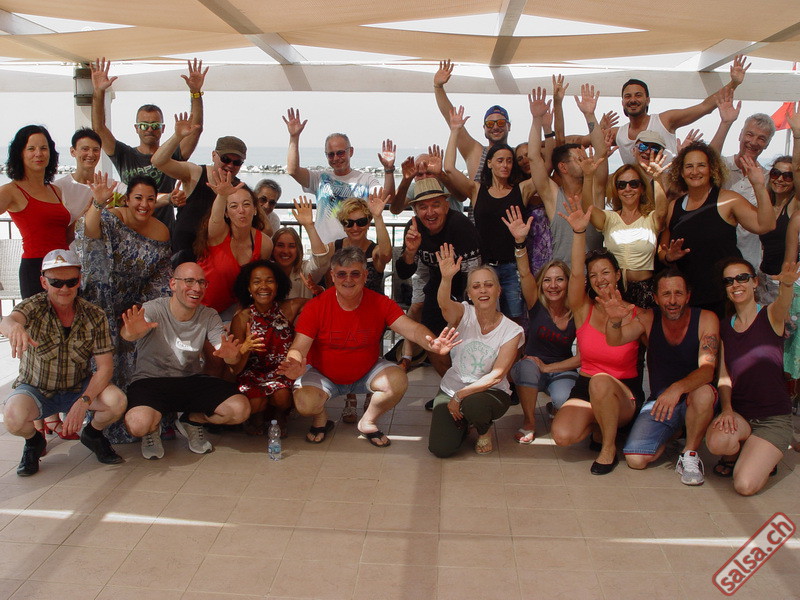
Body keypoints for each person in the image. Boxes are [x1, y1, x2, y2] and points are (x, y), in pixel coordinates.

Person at [278, 247, 461, 447]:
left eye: (355, 274)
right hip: (323, 374)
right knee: (304, 403)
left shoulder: (379, 302)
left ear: (365, 276)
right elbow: (299, 347)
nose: (348, 280)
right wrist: (294, 362)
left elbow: (412, 329)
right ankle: (320, 418)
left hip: (366, 372)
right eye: (342, 274)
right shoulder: (316, 306)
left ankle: (368, 421)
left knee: (398, 380)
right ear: (332, 276)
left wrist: (431, 343)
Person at [0, 249, 126, 476]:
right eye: (56, 282)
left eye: (71, 282)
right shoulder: (33, 307)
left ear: (79, 281)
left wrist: (84, 402)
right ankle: (33, 442)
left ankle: (93, 434)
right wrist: (14, 327)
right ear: (44, 282)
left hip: (77, 387)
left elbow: (105, 367)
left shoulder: (94, 315)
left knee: (116, 401)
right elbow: (9, 320)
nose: (64, 289)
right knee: (12, 416)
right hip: (36, 388)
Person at [550, 198, 645, 475]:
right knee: (562, 436)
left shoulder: (638, 314)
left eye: (606, 272)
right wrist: (579, 232)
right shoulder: (584, 309)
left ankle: (608, 447)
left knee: (602, 381)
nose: (600, 279)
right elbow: (575, 273)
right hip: (586, 386)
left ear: (617, 274)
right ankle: (599, 425)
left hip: (623, 392)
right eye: (594, 275)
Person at [121, 262, 251, 459]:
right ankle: (151, 430)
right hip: (151, 381)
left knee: (240, 409)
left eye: (201, 282)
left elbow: (226, 352)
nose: (196, 288)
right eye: (189, 281)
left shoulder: (208, 315)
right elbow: (129, 334)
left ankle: (192, 420)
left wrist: (231, 355)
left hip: (191, 380)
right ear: (173, 284)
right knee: (138, 425)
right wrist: (131, 332)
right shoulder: (154, 308)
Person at [603, 269, 719, 485]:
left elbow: (707, 371)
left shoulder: (706, 318)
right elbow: (615, 340)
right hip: (662, 400)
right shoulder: (648, 318)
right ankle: (674, 431)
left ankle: (690, 453)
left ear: (688, 296)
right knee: (636, 459)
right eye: (666, 294)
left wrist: (676, 389)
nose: (672, 301)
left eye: (678, 293)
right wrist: (615, 320)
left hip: (694, 396)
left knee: (704, 393)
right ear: (656, 298)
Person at [705, 258, 799, 495]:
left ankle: (764, 456)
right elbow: (724, 376)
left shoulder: (770, 315)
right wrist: (727, 409)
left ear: (755, 282)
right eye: (729, 281)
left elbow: (783, 303)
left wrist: (787, 285)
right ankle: (748, 450)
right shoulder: (724, 327)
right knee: (717, 442)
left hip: (773, 419)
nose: (736, 284)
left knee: (744, 485)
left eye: (742, 278)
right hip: (741, 416)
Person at [76, 172, 172, 392]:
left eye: (150, 199)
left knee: (133, 365)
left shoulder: (161, 231)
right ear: (127, 199)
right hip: (100, 300)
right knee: (99, 363)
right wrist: (98, 203)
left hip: (134, 305)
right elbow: (89, 235)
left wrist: (144, 308)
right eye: (138, 198)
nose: (144, 204)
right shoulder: (112, 218)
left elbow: (160, 274)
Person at [659, 141, 776, 317]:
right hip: (691, 299)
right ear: (681, 172)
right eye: (689, 166)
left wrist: (759, 186)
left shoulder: (728, 200)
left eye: (701, 165)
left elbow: (766, 225)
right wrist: (669, 256)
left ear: (711, 169)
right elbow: (662, 251)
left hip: (726, 297)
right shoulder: (674, 206)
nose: (695, 171)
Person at [428, 245, 523, 457]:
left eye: (489, 285)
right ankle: (465, 424)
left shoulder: (512, 330)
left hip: (490, 393)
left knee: (474, 405)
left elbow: (497, 375)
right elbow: (444, 305)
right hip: (452, 388)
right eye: (476, 286)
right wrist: (446, 278)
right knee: (441, 449)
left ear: (498, 290)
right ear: (469, 293)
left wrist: (460, 396)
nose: (483, 290)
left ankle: (483, 428)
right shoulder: (463, 314)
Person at [444, 105, 537, 320]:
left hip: (513, 267)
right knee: (482, 319)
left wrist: (538, 120)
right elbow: (449, 168)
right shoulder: (477, 190)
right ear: (489, 163)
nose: (505, 165)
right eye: (500, 160)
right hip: (484, 268)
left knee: (515, 319)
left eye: (509, 161)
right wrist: (455, 130)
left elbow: (542, 167)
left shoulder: (521, 190)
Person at [90, 57, 207, 228]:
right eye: (144, 125)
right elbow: (99, 128)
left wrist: (195, 93)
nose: (149, 129)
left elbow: (195, 129)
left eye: (155, 125)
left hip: (164, 231)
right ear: (136, 128)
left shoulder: (172, 155)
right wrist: (99, 92)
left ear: (163, 128)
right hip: (131, 232)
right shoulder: (124, 155)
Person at [395, 178, 482, 386]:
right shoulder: (414, 228)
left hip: (466, 286)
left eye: (435, 205)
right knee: (432, 340)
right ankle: (452, 388)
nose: (430, 212)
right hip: (437, 284)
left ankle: (472, 390)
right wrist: (410, 251)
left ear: (446, 205)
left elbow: (474, 273)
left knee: (467, 343)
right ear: (415, 210)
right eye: (423, 207)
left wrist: (465, 313)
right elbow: (404, 271)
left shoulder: (460, 226)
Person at [503, 206, 579, 444]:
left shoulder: (578, 311)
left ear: (568, 283)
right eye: (547, 280)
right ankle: (529, 422)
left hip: (561, 369)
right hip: (531, 367)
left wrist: (549, 368)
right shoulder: (536, 303)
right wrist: (520, 242)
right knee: (527, 367)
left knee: (563, 400)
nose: (553, 286)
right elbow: (525, 273)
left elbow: (583, 358)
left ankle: (555, 406)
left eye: (559, 280)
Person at [327, 191, 393, 424]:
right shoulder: (335, 247)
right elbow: (322, 271)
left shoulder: (373, 250)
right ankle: (350, 398)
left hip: (372, 312)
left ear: (368, 223)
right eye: (349, 222)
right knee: (347, 355)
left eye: (361, 221)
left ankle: (371, 395)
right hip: (343, 310)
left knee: (373, 355)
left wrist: (379, 216)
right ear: (343, 224)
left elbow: (386, 254)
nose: (355, 227)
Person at [283, 108, 395, 243]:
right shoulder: (319, 178)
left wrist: (389, 170)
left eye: (340, 153)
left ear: (351, 152)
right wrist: (294, 137)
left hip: (354, 250)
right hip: (325, 249)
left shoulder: (366, 180)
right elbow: (293, 170)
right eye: (331, 154)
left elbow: (386, 198)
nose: (336, 158)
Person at [612, 55, 749, 166]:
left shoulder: (664, 120)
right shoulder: (617, 133)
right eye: (628, 96)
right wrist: (598, 122)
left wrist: (734, 83)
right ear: (622, 102)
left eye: (638, 95)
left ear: (648, 100)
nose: (633, 100)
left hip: (670, 189)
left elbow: (704, 107)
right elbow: (597, 144)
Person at [527, 86, 607, 262]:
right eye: (579, 159)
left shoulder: (595, 189)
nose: (585, 161)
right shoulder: (553, 196)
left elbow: (601, 153)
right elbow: (533, 157)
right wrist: (536, 120)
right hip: (563, 274)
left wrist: (590, 115)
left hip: (595, 274)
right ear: (563, 167)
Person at [151, 112, 247, 256]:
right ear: (214, 155)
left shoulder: (240, 190)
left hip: (216, 257)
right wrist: (177, 137)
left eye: (237, 162)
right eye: (225, 159)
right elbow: (158, 161)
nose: (230, 165)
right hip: (184, 255)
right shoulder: (195, 173)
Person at [580, 153, 668, 308]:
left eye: (634, 184)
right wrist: (588, 177)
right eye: (622, 185)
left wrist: (657, 178)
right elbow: (588, 210)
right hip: (614, 289)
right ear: (616, 190)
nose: (628, 189)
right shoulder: (610, 218)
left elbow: (661, 212)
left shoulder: (650, 218)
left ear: (642, 188)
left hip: (645, 289)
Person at [229, 260, 306, 437]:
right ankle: (256, 417)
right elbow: (235, 369)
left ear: (278, 285)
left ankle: (280, 416)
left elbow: (321, 304)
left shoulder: (289, 308)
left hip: (281, 373)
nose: (263, 286)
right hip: (252, 375)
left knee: (282, 396)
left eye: (269, 281)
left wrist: (318, 290)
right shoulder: (241, 318)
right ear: (248, 288)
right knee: (255, 403)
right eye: (257, 282)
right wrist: (245, 348)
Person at [0, 125, 70, 298]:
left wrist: (92, 208)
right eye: (31, 149)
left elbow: (62, 236)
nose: (38, 153)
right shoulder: (11, 190)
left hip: (64, 266)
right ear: (20, 153)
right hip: (35, 269)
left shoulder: (55, 190)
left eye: (43, 148)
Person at [710, 92, 777, 268]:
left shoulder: (769, 178)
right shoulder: (723, 165)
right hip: (716, 257)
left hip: (748, 261)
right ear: (740, 135)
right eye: (750, 134)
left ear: (767, 145)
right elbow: (708, 161)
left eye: (761, 138)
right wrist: (726, 123)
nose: (753, 142)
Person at [193, 170, 273, 319]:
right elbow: (215, 219)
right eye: (234, 206)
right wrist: (222, 195)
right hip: (198, 308)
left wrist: (239, 317)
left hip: (232, 312)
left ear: (255, 210)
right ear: (226, 213)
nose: (241, 211)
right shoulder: (218, 233)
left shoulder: (265, 243)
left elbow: (257, 284)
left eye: (246, 204)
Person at [432, 60, 511, 180]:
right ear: (484, 128)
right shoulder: (475, 152)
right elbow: (449, 116)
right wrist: (438, 87)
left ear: (508, 126)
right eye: (490, 124)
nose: (495, 127)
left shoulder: (517, 155)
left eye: (500, 123)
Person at [54, 128, 126, 226]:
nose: (91, 154)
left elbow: (137, 197)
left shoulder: (111, 187)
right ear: (72, 151)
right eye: (85, 149)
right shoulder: (58, 188)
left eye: (96, 150)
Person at [271, 199, 331, 299]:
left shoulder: (305, 271)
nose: (285, 251)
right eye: (280, 245)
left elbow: (321, 261)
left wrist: (309, 226)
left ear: (298, 250)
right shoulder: (266, 270)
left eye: (291, 246)